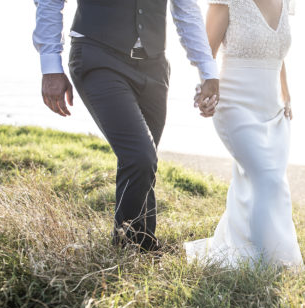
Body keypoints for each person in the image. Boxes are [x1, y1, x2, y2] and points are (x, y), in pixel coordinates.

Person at [33, 0, 220, 252]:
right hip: (98, 58)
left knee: (143, 161)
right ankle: (126, 250)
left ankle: (142, 245)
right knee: (139, 156)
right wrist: (50, 66)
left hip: (154, 66)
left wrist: (208, 72)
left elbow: (186, 10)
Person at [184, 0, 302, 268]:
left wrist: (287, 94)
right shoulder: (226, 2)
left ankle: (260, 254)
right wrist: (204, 90)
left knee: (265, 182)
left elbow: (277, 52)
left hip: (273, 111)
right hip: (235, 106)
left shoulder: (284, 3)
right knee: (267, 179)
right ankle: (267, 264)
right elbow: (206, 53)